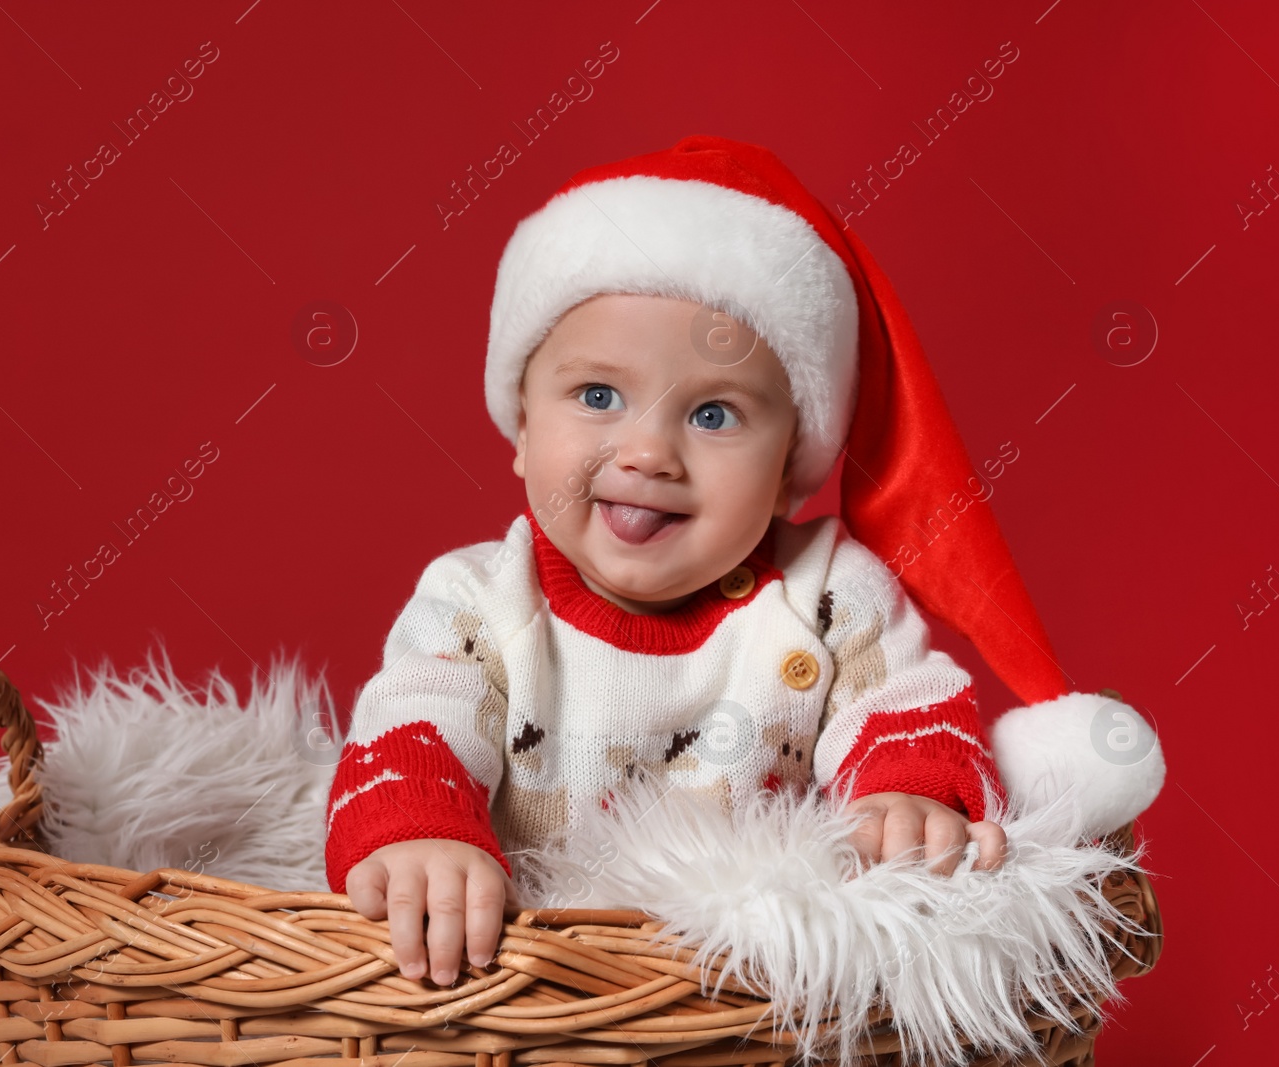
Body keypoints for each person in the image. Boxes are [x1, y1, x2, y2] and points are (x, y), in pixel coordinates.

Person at [324, 135, 1082, 990]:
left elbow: (902, 705)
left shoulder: (828, 594)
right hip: (522, 992)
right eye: (598, 395)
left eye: (714, 414)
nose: (647, 451)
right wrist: (423, 834)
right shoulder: (478, 599)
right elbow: (414, 724)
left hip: (758, 997)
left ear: (792, 458)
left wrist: (908, 800)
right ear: (524, 429)